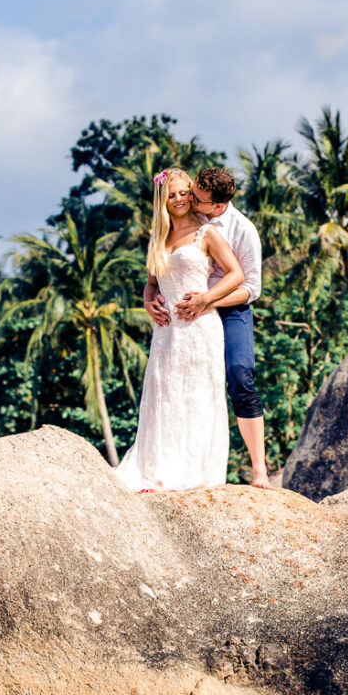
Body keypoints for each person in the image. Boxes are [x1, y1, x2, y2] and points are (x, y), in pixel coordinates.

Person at [115, 168, 245, 492]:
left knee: (198, 396)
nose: (178, 199)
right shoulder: (158, 237)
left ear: (192, 194)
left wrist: (207, 298)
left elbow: (236, 274)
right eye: (170, 194)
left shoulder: (207, 233)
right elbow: (150, 284)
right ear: (163, 198)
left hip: (200, 328)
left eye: (183, 193)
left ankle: (195, 473)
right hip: (166, 333)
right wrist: (148, 302)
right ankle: (158, 470)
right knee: (164, 396)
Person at [156, 166, 272, 489]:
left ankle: (259, 469)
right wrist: (151, 297)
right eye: (191, 191)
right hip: (189, 307)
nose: (190, 198)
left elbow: (251, 287)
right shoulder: (180, 218)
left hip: (230, 308)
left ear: (217, 206)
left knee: (239, 374)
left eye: (198, 199)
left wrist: (209, 300)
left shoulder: (242, 230)